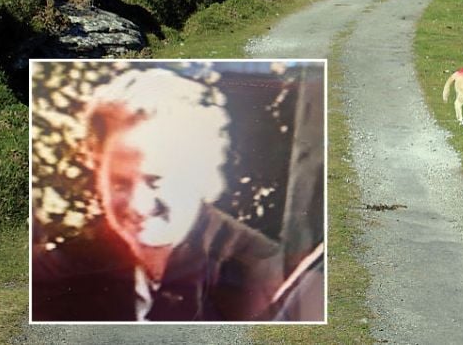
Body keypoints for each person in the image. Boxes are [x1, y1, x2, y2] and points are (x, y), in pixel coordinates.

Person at [32, 67, 283, 322]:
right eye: (119, 183)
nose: (139, 205)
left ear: (202, 172)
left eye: (156, 181)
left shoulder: (263, 278)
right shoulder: (61, 275)